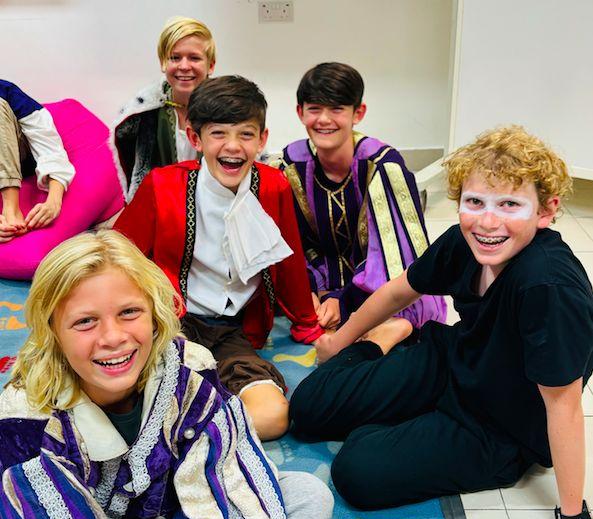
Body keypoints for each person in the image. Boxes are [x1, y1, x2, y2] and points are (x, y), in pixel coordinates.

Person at [0, 230, 333, 519]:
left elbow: (230, 497)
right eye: (85, 322)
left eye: (129, 312)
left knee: (307, 497)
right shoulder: (25, 414)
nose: (113, 338)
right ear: (52, 330)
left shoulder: (191, 369)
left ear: (155, 313)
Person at [290, 125, 593, 519]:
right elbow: (399, 291)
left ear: (545, 211)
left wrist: (576, 518)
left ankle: (407, 417)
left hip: (499, 424)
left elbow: (564, 405)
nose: (488, 222)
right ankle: (389, 344)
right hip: (454, 358)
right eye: (475, 202)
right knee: (308, 406)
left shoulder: (548, 286)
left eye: (510, 204)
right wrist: (340, 342)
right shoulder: (464, 242)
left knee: (356, 472)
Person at [115, 75, 323, 441]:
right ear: (195, 138)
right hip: (171, 323)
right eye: (218, 134)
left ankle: (186, 431)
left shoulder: (273, 186)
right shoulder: (163, 185)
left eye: (246, 134)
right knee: (131, 399)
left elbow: (287, 260)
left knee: (273, 417)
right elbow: (119, 255)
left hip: (234, 331)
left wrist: (306, 321)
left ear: (262, 139)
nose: (233, 146)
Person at [275, 62, 446, 330]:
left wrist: (343, 300)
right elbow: (290, 242)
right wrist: (307, 289)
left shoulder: (383, 166)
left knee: (408, 310)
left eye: (337, 109)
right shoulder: (289, 166)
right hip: (319, 281)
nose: (324, 119)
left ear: (358, 113)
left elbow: (396, 256)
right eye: (314, 109)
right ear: (300, 112)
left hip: (375, 286)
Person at [111, 16, 215, 201]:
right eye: (175, 58)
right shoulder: (144, 115)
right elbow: (133, 169)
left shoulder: (228, 110)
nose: (184, 66)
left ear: (211, 65)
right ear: (163, 63)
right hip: (161, 206)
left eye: (194, 58)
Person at [0, 79, 75, 242]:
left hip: (18, 155)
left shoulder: (7, 91)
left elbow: (51, 150)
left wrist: (54, 201)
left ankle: (11, 210)